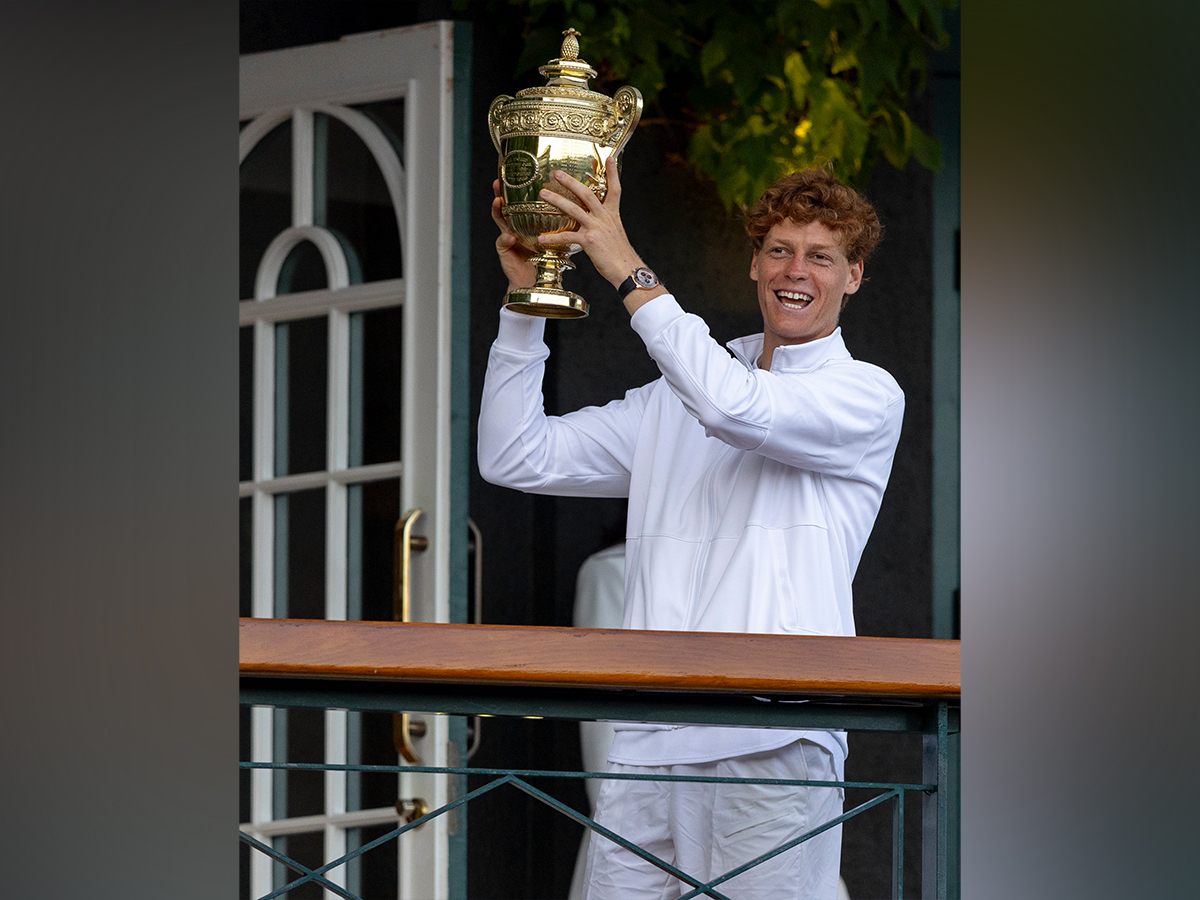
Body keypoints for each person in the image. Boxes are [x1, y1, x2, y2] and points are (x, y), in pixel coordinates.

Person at [478, 158, 903, 900]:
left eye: (820, 256)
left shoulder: (865, 394)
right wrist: (524, 302)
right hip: (647, 740)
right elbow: (516, 454)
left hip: (772, 740)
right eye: (778, 249)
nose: (794, 270)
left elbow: (735, 409)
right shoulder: (680, 393)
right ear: (753, 262)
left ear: (854, 277)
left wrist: (624, 263)